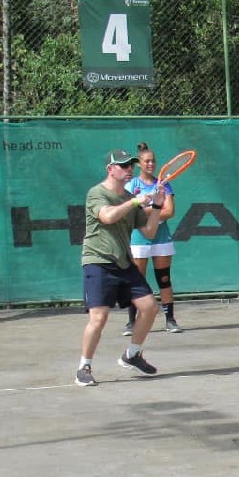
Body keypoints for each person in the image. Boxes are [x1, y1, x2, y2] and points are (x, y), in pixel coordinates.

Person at [75, 149, 166, 387]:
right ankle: (84, 366)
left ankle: (132, 354)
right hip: (98, 260)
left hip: (124, 262)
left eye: (130, 166)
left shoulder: (128, 197)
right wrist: (136, 201)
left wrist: (156, 207)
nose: (129, 169)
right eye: (123, 166)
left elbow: (149, 231)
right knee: (99, 316)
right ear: (110, 169)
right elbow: (107, 217)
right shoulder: (96, 193)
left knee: (149, 307)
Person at [124, 142, 183, 334]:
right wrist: (155, 210)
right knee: (136, 280)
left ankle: (170, 320)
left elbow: (170, 211)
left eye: (153, 161)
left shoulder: (164, 184)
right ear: (139, 164)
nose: (151, 164)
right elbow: (129, 211)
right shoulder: (131, 185)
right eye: (146, 161)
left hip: (162, 239)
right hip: (138, 239)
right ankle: (132, 322)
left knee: (164, 279)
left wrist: (144, 211)